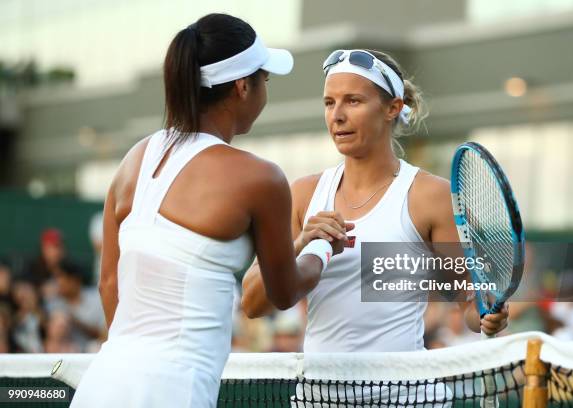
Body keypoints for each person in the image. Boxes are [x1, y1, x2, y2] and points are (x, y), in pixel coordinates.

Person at [70, 13, 344, 408]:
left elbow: (110, 285)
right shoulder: (260, 177)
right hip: (175, 392)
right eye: (264, 79)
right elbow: (284, 292)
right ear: (242, 86)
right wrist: (320, 248)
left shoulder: (134, 158)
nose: (266, 89)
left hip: (101, 384)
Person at [242, 49, 509, 405]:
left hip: (407, 397)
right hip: (319, 398)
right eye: (329, 102)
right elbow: (252, 302)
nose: (337, 116)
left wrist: (488, 316)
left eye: (353, 100)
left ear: (392, 108)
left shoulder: (430, 196)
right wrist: (301, 241)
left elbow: (468, 302)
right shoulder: (303, 194)